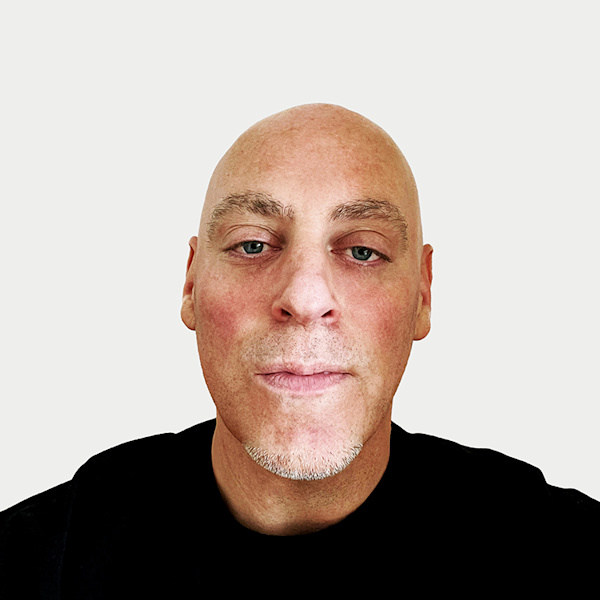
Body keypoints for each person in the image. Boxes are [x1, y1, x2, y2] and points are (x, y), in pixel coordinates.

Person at [1, 104, 598, 596]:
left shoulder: (565, 563)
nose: (305, 298)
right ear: (191, 283)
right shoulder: (33, 567)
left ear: (422, 293)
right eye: (253, 245)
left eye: (362, 251)